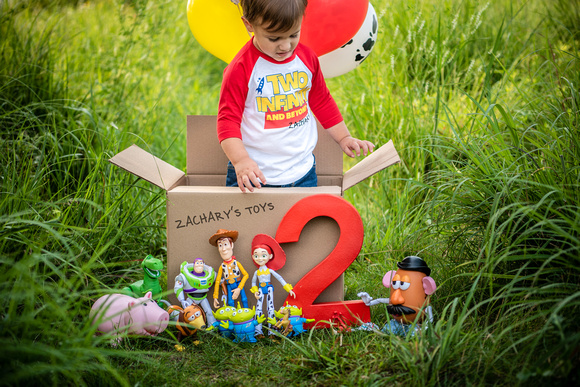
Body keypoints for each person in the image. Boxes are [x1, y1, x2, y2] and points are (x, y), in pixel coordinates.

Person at [217, 0, 375, 192]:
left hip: (303, 173)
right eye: (274, 38)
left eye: (293, 34)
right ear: (249, 25)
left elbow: (322, 100)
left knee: (300, 222)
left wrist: (344, 138)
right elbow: (228, 120)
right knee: (251, 223)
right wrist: (241, 161)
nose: (285, 46)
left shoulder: (306, 59)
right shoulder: (241, 68)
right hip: (254, 175)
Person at [249, 234, 295, 336]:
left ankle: (272, 331)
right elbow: (253, 282)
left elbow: (280, 278)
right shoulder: (257, 272)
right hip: (261, 289)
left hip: (269, 289)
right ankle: (258, 331)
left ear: (270, 256)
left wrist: (288, 289)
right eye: (256, 255)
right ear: (253, 256)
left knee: (270, 308)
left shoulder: (270, 271)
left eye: (263, 255)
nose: (260, 258)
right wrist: (255, 291)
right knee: (258, 309)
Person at [210, 229, 250, 308]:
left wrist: (239, 288)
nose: (223, 249)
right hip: (229, 285)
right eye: (220, 245)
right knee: (230, 302)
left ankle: (248, 315)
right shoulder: (222, 266)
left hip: (238, 283)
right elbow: (217, 281)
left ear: (231, 245)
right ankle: (232, 317)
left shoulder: (236, 263)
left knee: (244, 299)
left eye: (225, 244)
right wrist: (215, 296)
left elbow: (246, 275)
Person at [174, 258, 217, 326]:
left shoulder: (210, 274)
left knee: (209, 312)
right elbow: (178, 288)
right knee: (187, 313)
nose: (199, 264)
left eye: (201, 263)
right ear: (194, 265)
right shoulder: (184, 276)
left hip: (203, 298)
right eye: (197, 263)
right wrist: (182, 300)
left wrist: (223, 283)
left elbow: (219, 279)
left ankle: (212, 325)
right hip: (191, 298)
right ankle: (186, 326)